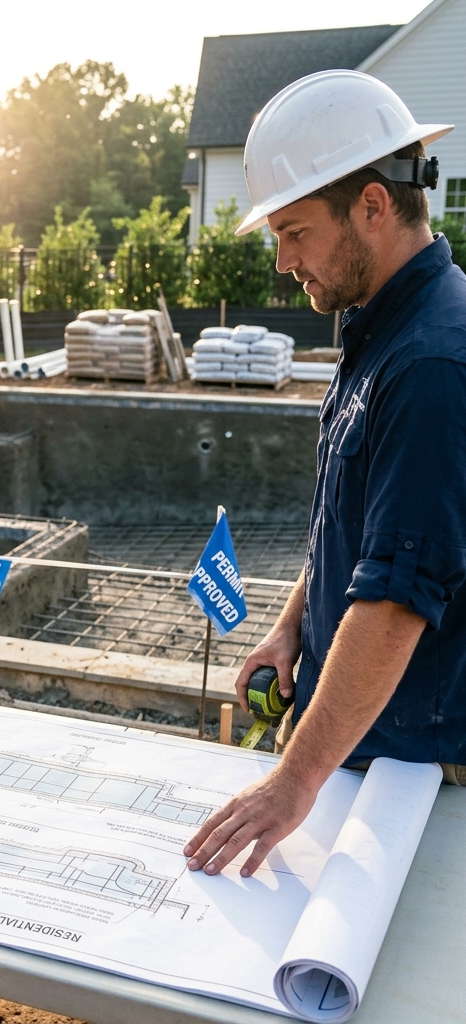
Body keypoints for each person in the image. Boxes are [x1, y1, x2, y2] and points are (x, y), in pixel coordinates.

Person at [184, 71, 466, 879]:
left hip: (419, 773)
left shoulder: (433, 362)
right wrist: (291, 627)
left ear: (373, 206)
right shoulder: (377, 332)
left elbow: (393, 601)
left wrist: (293, 780)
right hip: (370, 747)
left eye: (296, 231)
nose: (283, 261)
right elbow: (355, 524)